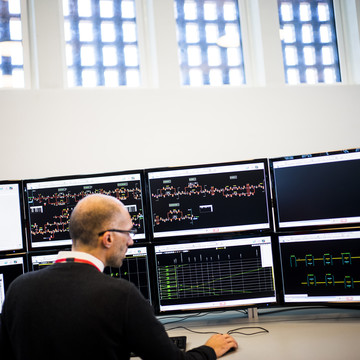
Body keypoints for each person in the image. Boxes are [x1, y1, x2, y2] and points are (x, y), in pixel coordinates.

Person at [0, 194, 238, 360]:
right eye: (129, 232)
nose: (132, 240)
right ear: (109, 238)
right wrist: (210, 349)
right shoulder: (120, 295)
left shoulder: (18, 289)